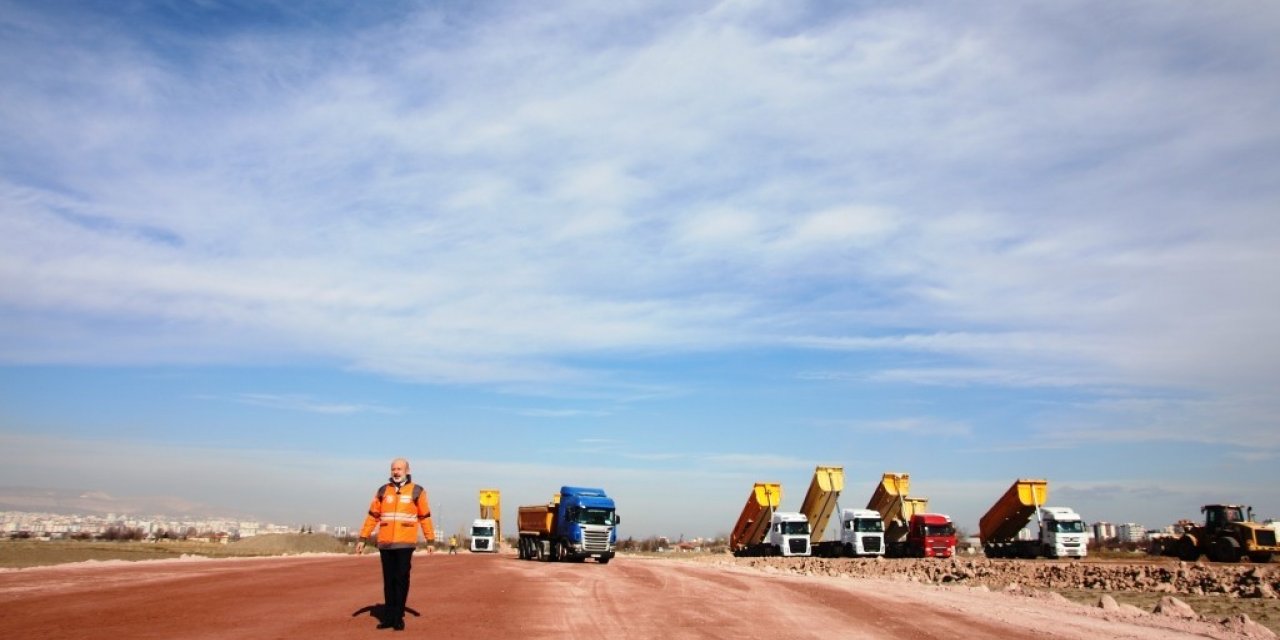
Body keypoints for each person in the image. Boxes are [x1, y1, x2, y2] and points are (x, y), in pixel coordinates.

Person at [356, 458, 435, 631]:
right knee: (389, 580)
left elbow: (425, 516)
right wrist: (363, 538)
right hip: (385, 543)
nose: (396, 472)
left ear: (407, 470)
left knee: (401, 579)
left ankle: (398, 616)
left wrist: (430, 540)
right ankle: (389, 617)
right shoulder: (383, 491)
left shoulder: (417, 491)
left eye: (399, 469)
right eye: (393, 469)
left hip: (405, 543)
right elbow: (372, 516)